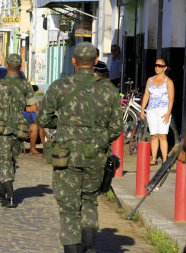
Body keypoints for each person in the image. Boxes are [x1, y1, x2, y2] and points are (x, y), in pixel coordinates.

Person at [37, 42, 122, 253]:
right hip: (95, 155)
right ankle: (90, 247)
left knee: (68, 207)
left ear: (73, 60)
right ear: (95, 61)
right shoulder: (109, 90)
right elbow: (117, 128)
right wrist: (98, 138)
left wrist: (65, 125)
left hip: (66, 155)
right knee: (90, 200)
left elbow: (43, 118)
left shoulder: (59, 86)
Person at [0, 53, 38, 208]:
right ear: (21, 66)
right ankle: (4, 189)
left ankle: (10, 196)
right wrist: (18, 109)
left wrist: (2, 116)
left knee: (4, 162)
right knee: (11, 160)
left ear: (6, 65)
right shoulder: (25, 85)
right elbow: (33, 108)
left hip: (1, 127)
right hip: (18, 127)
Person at [140, 58, 174, 165]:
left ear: (165, 68)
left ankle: (164, 158)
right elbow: (146, 95)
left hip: (163, 111)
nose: (157, 67)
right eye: (156, 65)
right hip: (151, 111)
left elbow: (171, 98)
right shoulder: (150, 80)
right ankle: (154, 158)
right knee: (154, 135)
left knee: (163, 135)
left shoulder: (168, 81)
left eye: (160, 66)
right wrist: (142, 110)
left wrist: (168, 113)